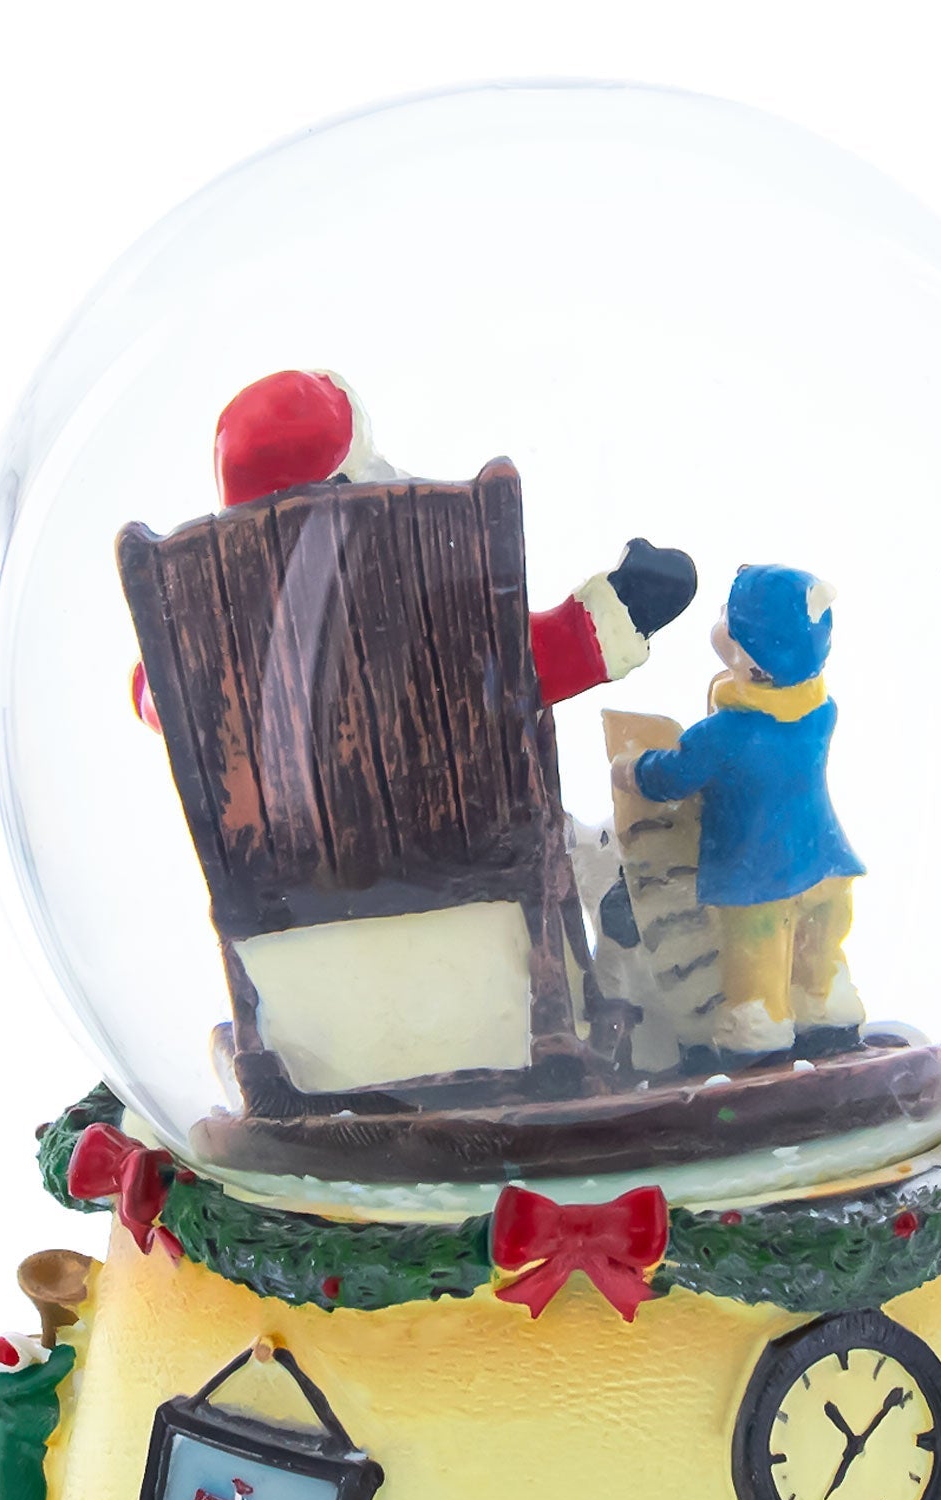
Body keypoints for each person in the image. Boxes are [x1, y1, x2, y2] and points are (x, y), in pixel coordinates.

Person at [133, 369, 696, 727]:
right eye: (360, 469)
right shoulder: (402, 594)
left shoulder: (216, 643)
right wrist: (617, 613)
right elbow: (514, 668)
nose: (386, 476)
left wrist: (160, 676)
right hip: (449, 833)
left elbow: (161, 700)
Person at [622, 564, 866, 1060]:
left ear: (754, 660)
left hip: (758, 881)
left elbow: (674, 777)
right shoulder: (822, 712)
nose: (720, 623)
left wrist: (632, 770)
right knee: (819, 956)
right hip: (827, 865)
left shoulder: (725, 734)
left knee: (757, 969)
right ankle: (827, 1015)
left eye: (728, 621)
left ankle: (759, 1040)